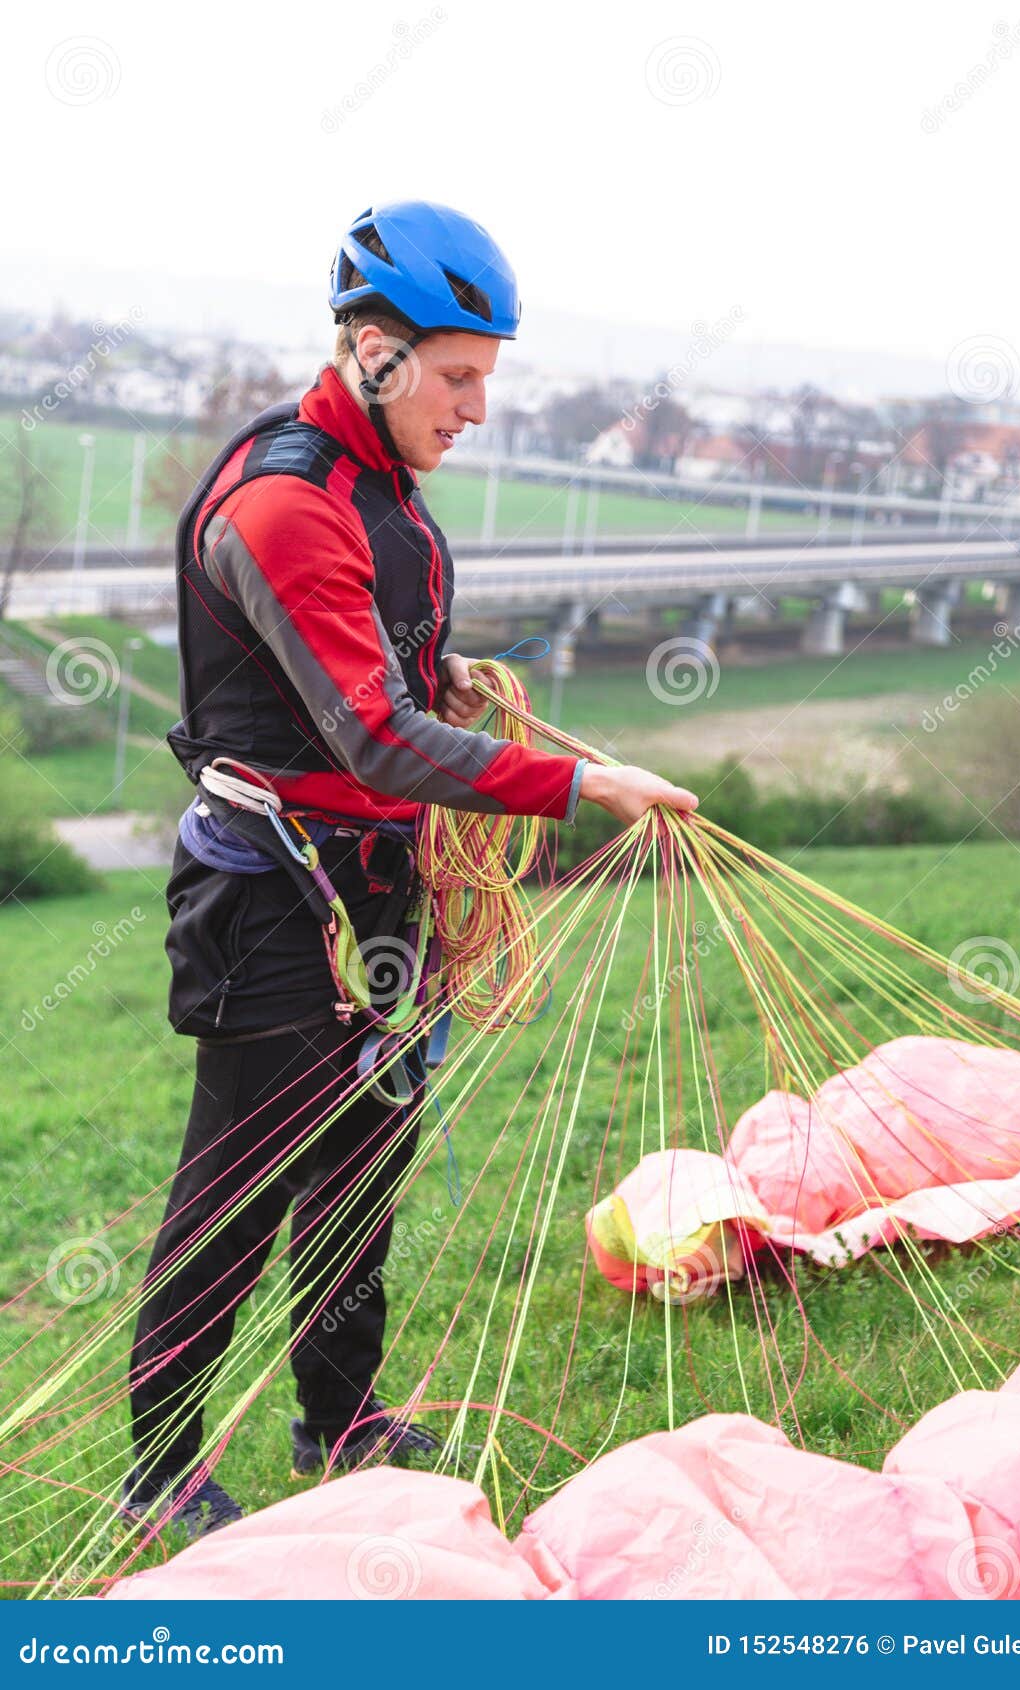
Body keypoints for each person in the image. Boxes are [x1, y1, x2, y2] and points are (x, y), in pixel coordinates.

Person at [122, 199, 698, 1539]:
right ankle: (159, 1479)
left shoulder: (380, 492)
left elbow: (384, 670)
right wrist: (578, 783)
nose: (477, 408)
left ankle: (340, 1417)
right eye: (458, 376)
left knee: (363, 1173)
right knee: (240, 1187)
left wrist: (456, 678)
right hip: (270, 900)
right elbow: (374, 734)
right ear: (374, 353)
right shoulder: (284, 498)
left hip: (382, 894)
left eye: (488, 377)